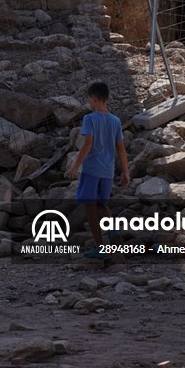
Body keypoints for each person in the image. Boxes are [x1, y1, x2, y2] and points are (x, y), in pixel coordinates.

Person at [65, 81, 130, 256]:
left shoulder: (89, 119)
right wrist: (125, 171)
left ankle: (100, 247)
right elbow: (121, 148)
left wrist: (75, 166)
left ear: (93, 99)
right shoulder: (115, 121)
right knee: (102, 204)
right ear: (107, 99)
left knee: (90, 207)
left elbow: (87, 145)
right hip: (108, 171)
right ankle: (113, 231)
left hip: (92, 169)